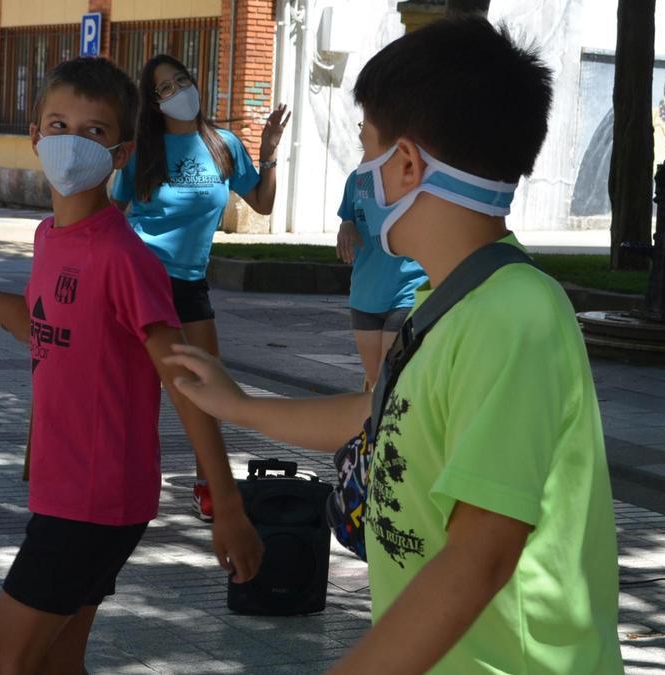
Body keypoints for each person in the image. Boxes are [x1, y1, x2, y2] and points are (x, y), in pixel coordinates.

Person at [163, 16, 624, 674]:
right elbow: (379, 412)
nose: (363, 172)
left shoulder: (516, 315)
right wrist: (237, 405)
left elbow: (481, 554)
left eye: (367, 149)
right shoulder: (446, 302)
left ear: (405, 165)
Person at [0, 57, 263, 674]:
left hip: (95, 499)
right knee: (56, 662)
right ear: (35, 135)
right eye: (59, 124)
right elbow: (39, 323)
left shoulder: (124, 257)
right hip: (64, 489)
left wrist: (226, 505)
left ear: (120, 154)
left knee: (2, 665)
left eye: (94, 132)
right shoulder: (50, 237)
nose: (72, 143)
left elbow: (182, 378)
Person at [110, 54, 289, 521]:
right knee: (138, 388)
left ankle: (208, 483)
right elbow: (111, 216)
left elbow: (263, 204)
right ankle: (128, 480)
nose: (177, 92)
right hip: (142, 281)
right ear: (152, 103)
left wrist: (268, 151)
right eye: (164, 88)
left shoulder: (222, 144)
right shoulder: (143, 150)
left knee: (204, 386)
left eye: (182, 80)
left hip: (190, 284)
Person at [335, 168, 427, 391]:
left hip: (407, 292)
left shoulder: (418, 178)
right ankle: (372, 425)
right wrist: (345, 226)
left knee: (392, 379)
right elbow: (348, 216)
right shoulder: (358, 179)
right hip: (365, 296)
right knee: (374, 378)